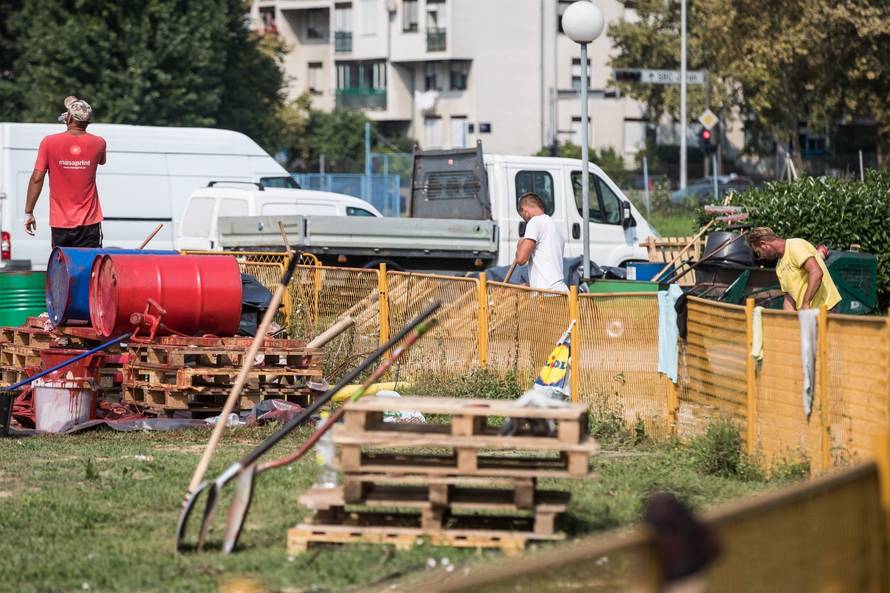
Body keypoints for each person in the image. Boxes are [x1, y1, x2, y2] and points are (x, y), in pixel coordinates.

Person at [24, 96, 107, 248]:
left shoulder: (49, 142)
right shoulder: (99, 143)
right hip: (89, 223)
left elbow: (37, 178)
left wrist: (29, 212)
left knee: (63, 268)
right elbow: (102, 160)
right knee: (90, 268)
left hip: (60, 222)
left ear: (68, 117)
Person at [746, 227, 841, 311]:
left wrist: (806, 303)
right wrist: (789, 322)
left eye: (758, 252)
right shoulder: (779, 267)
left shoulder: (795, 246)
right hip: (808, 316)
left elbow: (816, 272)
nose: (761, 257)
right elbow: (790, 298)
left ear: (763, 244)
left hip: (826, 310)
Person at [514, 192, 568, 292]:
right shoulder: (554, 227)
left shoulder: (535, 221)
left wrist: (520, 244)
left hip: (546, 294)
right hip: (560, 291)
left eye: (523, 218)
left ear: (525, 212)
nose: (526, 221)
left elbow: (521, 259)